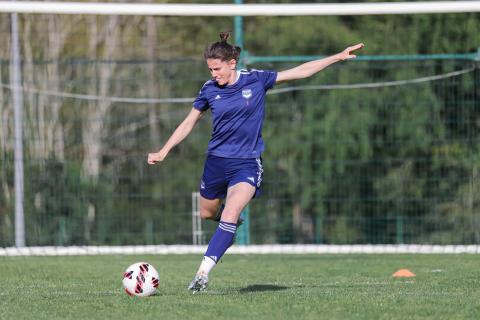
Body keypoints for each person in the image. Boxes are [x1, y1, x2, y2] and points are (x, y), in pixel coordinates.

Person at [147, 31, 364, 293]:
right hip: (216, 162)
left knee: (230, 213)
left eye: (217, 68)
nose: (213, 73)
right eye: (210, 69)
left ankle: (202, 273)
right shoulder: (209, 89)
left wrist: (338, 57)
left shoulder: (257, 80)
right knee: (207, 213)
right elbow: (189, 122)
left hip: (247, 164)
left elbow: (301, 71)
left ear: (232, 63)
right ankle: (228, 227)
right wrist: (164, 150)